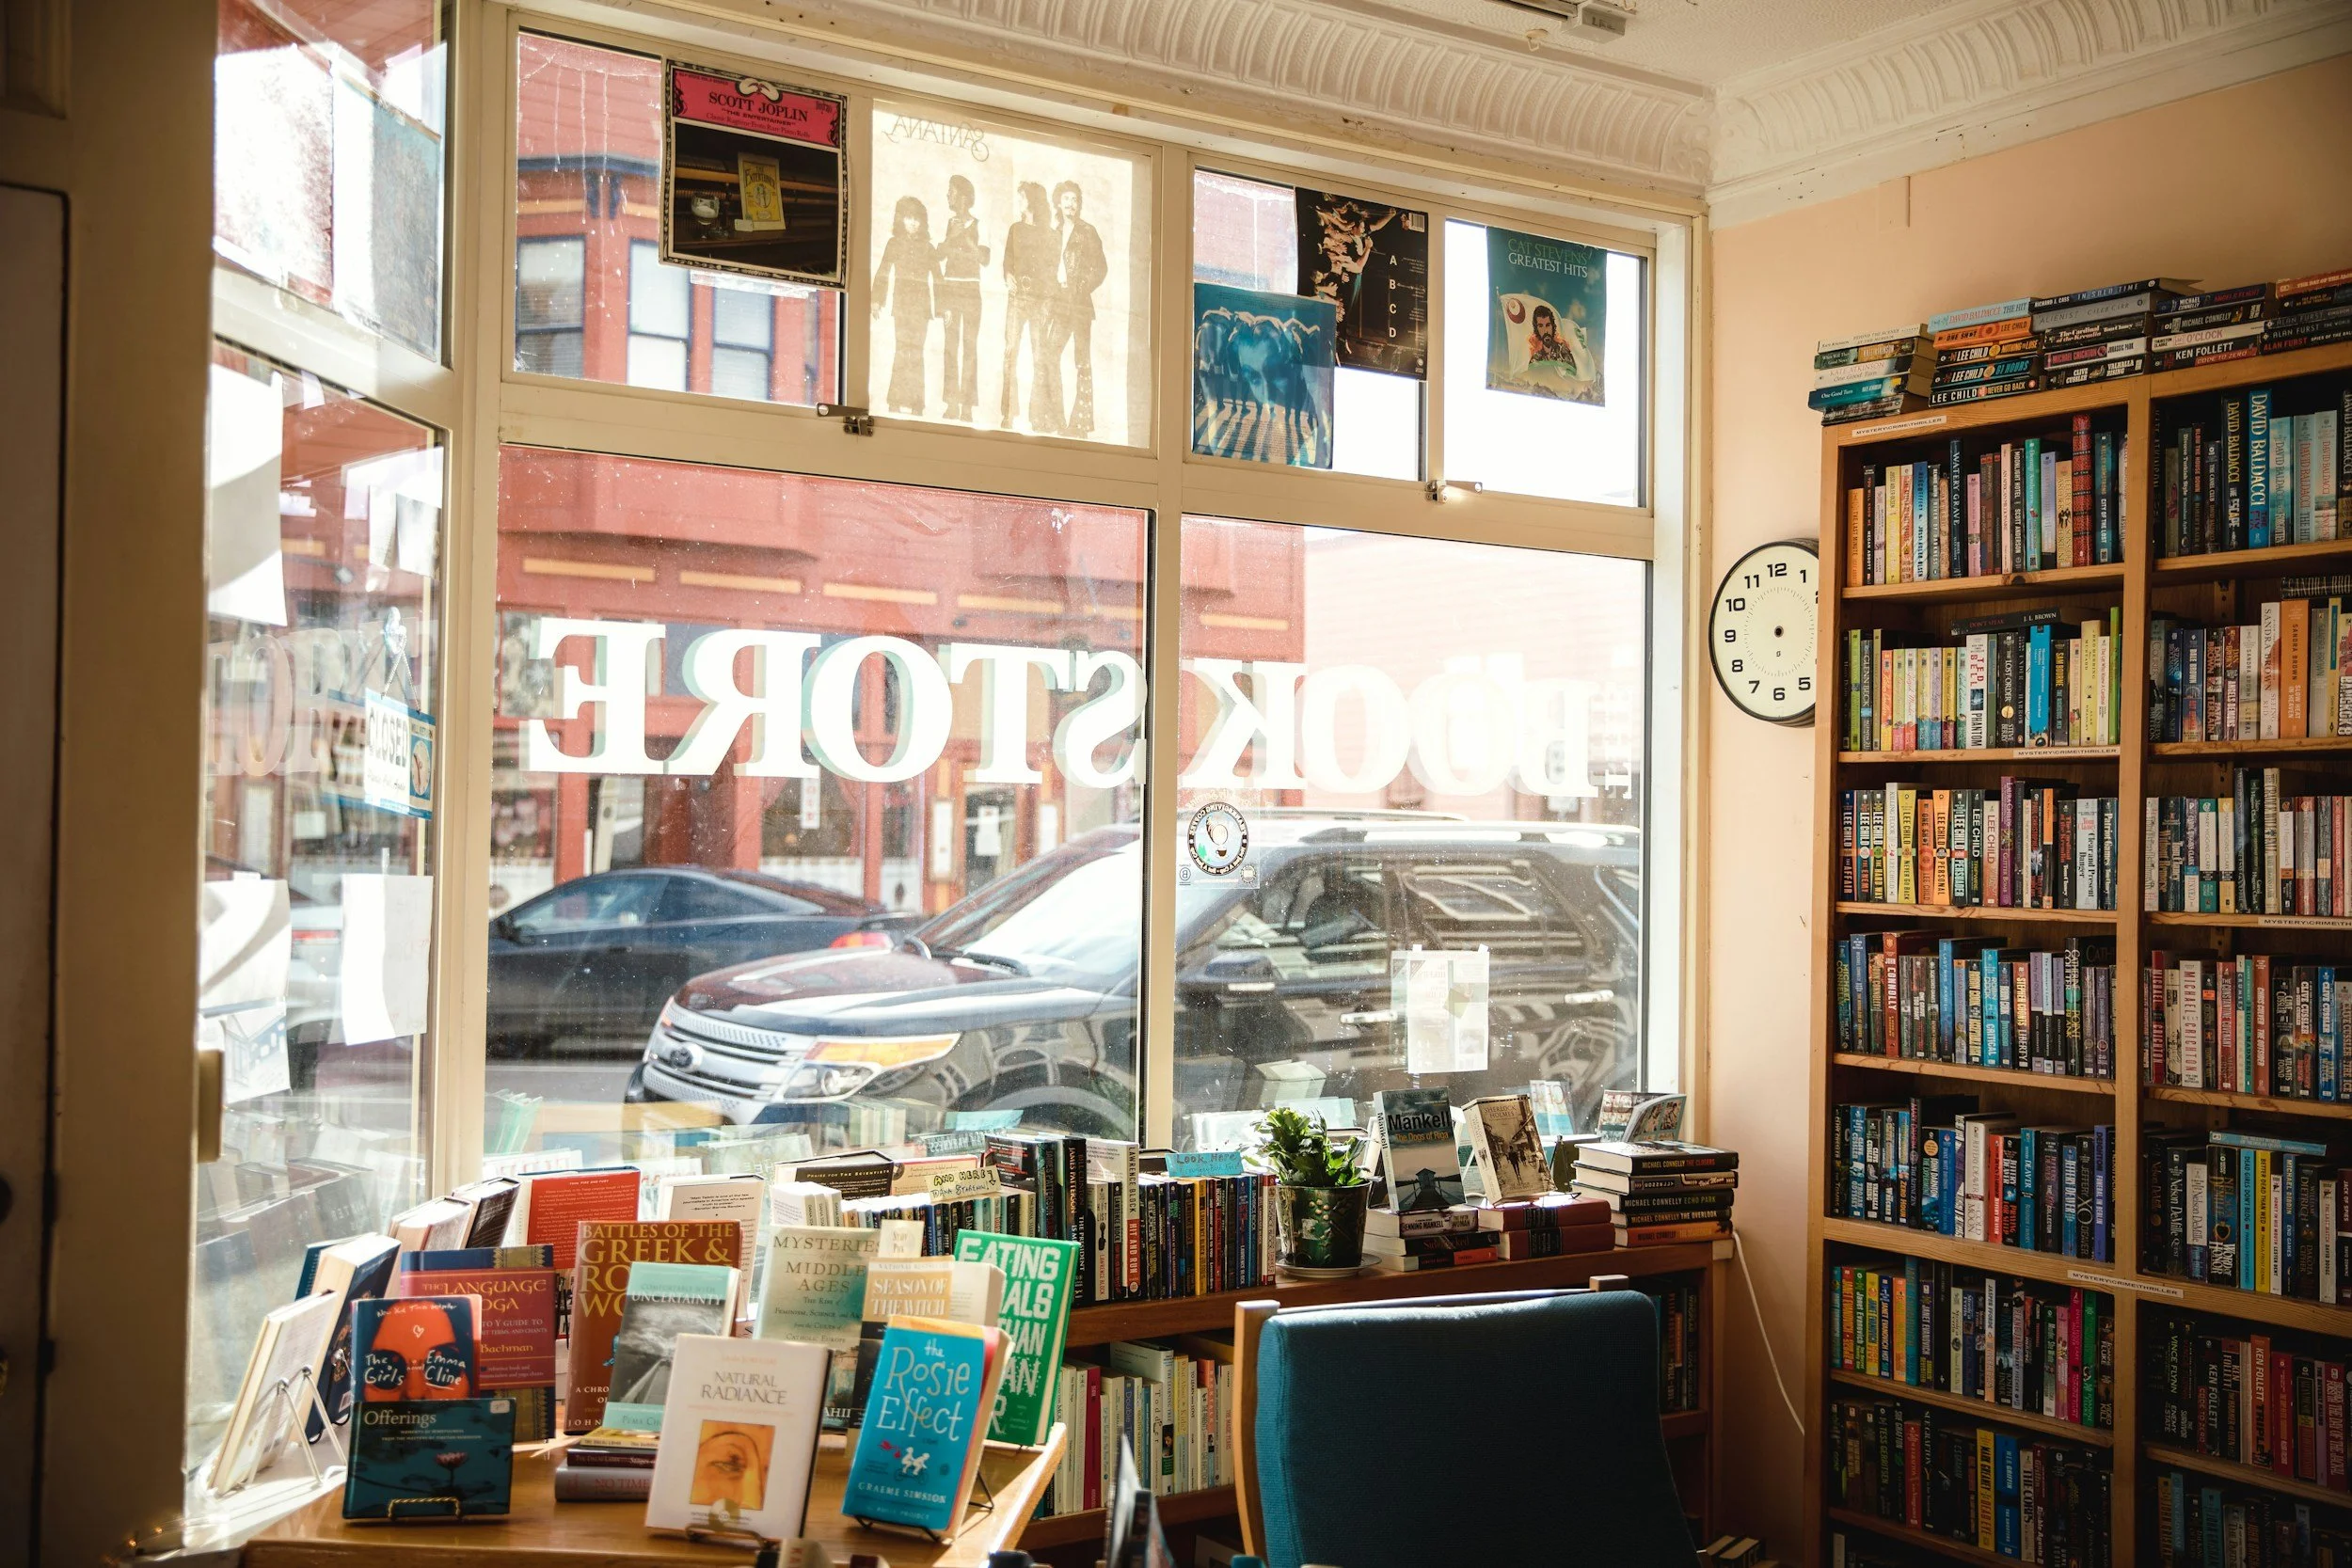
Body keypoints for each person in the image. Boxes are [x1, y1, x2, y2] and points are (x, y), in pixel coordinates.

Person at [1045, 180, 1107, 437]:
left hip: (1080, 304)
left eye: (1075, 199)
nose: (1071, 204)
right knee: (1049, 355)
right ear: (1058, 202)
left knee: (1081, 361)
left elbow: (1101, 268)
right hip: (1059, 302)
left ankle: (1079, 424)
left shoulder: (1087, 231)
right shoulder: (1054, 231)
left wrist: (1081, 286)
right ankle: (1056, 419)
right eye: (1067, 199)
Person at [871, 195, 939, 417]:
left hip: (921, 309)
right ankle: (895, 401)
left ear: (923, 222)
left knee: (917, 353)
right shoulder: (894, 244)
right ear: (901, 219)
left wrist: (943, 307)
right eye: (909, 218)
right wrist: (876, 300)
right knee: (902, 351)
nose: (913, 223)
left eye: (917, 219)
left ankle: (917, 405)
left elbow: (938, 277)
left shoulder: (928, 247)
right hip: (901, 307)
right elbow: (883, 271)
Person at [999, 182, 1057, 431]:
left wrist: (1047, 303)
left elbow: (1052, 271)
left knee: (1039, 358)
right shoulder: (1015, 229)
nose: (1019, 202)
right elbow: (1007, 260)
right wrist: (1008, 276)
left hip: (1039, 301)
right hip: (1016, 299)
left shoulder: (1051, 234)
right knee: (1010, 353)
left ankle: (1038, 415)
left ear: (1032, 201)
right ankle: (1008, 413)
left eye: (1022, 198)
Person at [935, 175, 987, 422]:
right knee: (950, 348)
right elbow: (940, 256)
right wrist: (950, 236)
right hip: (951, 290)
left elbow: (984, 259)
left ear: (963, 197)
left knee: (970, 348)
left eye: (951, 192)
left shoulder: (980, 224)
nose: (948, 196)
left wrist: (964, 235)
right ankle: (952, 403)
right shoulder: (948, 223)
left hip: (971, 292)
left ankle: (966, 405)